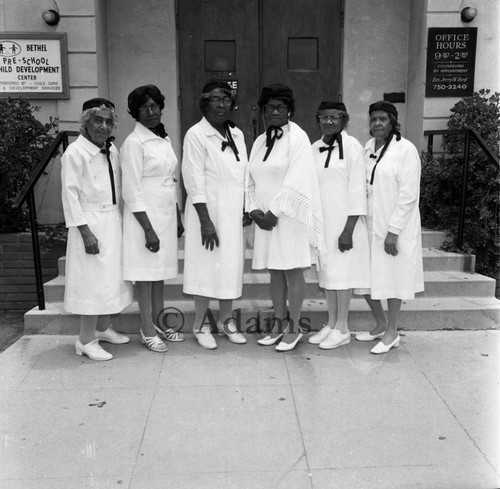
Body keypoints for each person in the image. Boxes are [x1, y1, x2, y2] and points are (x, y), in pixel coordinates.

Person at [246, 83, 325, 352]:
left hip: (289, 218)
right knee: (275, 272)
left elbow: (297, 178)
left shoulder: (298, 137)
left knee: (292, 271)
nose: (275, 111)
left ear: (289, 110)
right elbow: (249, 178)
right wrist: (253, 209)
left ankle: (294, 328)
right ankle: (279, 325)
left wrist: (274, 212)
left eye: (280, 107)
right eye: (270, 107)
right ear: (264, 111)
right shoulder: (259, 140)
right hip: (265, 219)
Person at [61, 97, 132, 361]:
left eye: (108, 121)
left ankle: (102, 328)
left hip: (111, 220)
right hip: (88, 222)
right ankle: (85, 340)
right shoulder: (75, 153)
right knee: (91, 281)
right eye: (97, 120)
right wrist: (85, 231)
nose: (103, 126)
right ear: (85, 123)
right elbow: (70, 196)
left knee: (109, 278)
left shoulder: (111, 150)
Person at [182, 81, 249, 349]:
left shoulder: (237, 134)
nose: (222, 105)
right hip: (207, 209)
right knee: (205, 266)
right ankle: (200, 325)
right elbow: (192, 178)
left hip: (232, 209)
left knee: (230, 265)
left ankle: (226, 321)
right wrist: (205, 221)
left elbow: (243, 173)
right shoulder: (196, 134)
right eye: (215, 99)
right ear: (204, 103)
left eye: (226, 99)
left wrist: (245, 205)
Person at [356, 101, 424, 354]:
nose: (377, 124)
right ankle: (380, 324)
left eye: (382, 119)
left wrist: (393, 231)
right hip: (370, 224)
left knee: (394, 277)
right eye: (373, 119)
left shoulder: (405, 150)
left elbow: (409, 195)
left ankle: (392, 332)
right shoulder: (367, 148)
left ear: (393, 121)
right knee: (366, 277)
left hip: (395, 225)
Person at [121, 85, 184, 353]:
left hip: (165, 215)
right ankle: (146, 328)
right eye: (144, 108)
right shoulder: (133, 143)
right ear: (135, 113)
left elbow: (170, 179)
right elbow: (131, 190)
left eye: (154, 106)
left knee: (158, 274)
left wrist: (178, 216)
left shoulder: (163, 139)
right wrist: (148, 229)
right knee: (145, 276)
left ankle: (159, 322)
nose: (150, 112)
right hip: (143, 220)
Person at [309, 101, 370, 349]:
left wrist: (348, 230)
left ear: (344, 120)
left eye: (335, 117)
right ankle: (332, 323)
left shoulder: (353, 146)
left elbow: (358, 190)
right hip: (323, 222)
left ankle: (343, 327)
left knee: (342, 275)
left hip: (345, 224)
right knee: (328, 274)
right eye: (324, 117)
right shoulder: (314, 148)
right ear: (319, 120)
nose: (329, 122)